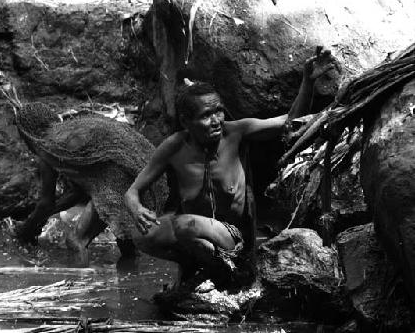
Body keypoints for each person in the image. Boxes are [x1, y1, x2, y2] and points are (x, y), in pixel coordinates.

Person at [124, 49, 338, 289]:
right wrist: (136, 208)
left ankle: (228, 270)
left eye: (218, 111)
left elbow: (290, 122)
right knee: (140, 235)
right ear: (186, 121)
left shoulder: (235, 132)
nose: (216, 120)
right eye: (206, 115)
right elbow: (132, 191)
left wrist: (307, 82)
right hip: (196, 233)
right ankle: (196, 264)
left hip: (232, 236)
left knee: (184, 225)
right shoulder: (174, 147)